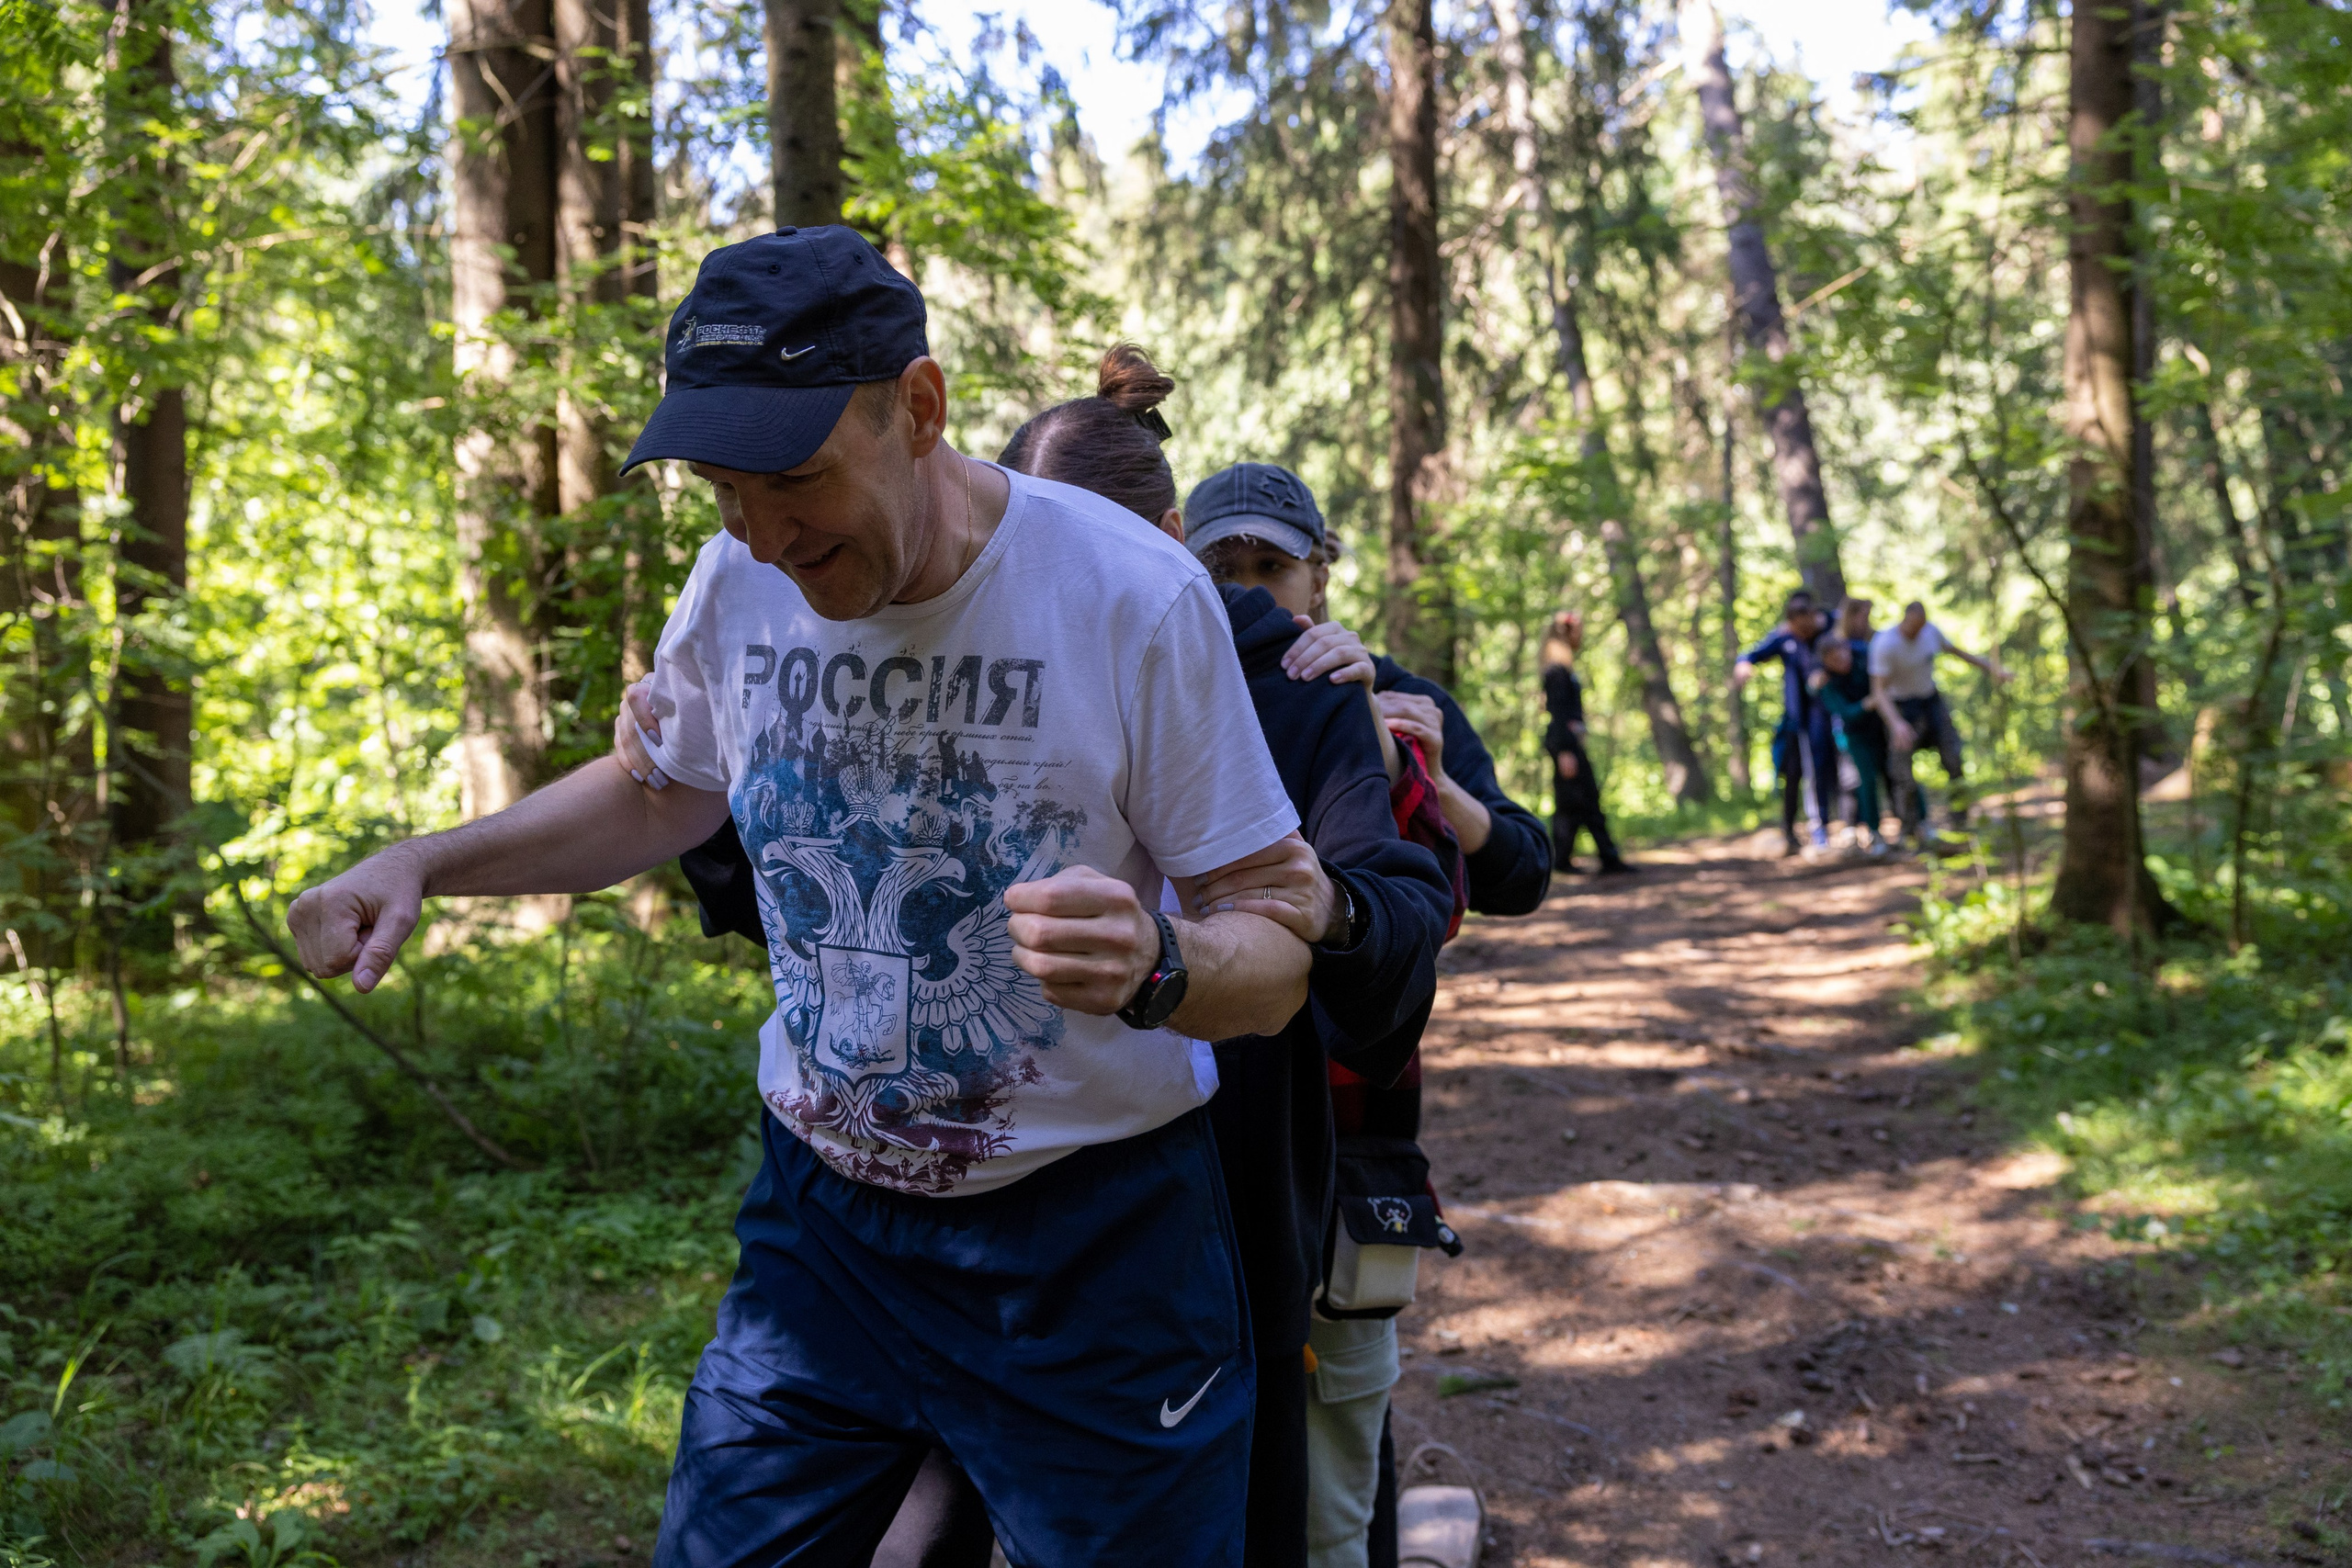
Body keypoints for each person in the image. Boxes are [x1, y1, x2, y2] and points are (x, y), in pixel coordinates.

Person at [289, 227, 1326, 1567]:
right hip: (824, 1232)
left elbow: (1284, 935)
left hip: (1093, 1245)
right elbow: (666, 790)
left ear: (921, 408)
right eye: (725, 490)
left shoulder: (1132, 595)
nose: (766, 534)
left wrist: (1164, 959)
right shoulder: (742, 577)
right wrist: (422, 858)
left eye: (794, 479)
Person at [629, 354, 1459, 1568]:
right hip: (918, 1198)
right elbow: (773, 889)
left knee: (1294, 1510)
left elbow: (1391, 950)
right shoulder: (883, 618)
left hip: (1201, 1192)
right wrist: (707, 766)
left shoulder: (1292, 680)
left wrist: (1194, 944)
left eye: (1251, 565)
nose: (1050, 596)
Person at [1869, 600, 2011, 848]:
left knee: (1953, 757)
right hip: (1900, 707)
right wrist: (1896, 724)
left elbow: (1957, 652)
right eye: (1914, 626)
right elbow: (1878, 691)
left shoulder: (1930, 633)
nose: (1917, 632)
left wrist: (1992, 668)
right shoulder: (1885, 644)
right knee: (1902, 772)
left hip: (1930, 702)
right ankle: (1910, 829)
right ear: (1905, 619)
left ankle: (1961, 820)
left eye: (1921, 626)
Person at [1733, 590, 1836, 856]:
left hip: (1832, 713)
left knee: (1833, 770)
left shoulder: (1830, 626)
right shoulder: (1784, 637)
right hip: (1797, 719)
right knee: (1795, 772)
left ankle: (1834, 826)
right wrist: (1743, 663)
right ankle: (1796, 830)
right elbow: (1752, 654)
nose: (1803, 629)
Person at [1537, 611, 1631, 874]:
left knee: (1577, 800)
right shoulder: (1556, 671)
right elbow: (1557, 714)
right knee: (1580, 799)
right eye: (1578, 630)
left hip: (1569, 743)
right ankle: (1591, 858)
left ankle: (1575, 858)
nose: (1582, 635)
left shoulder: (1564, 669)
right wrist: (1565, 750)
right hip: (1565, 744)